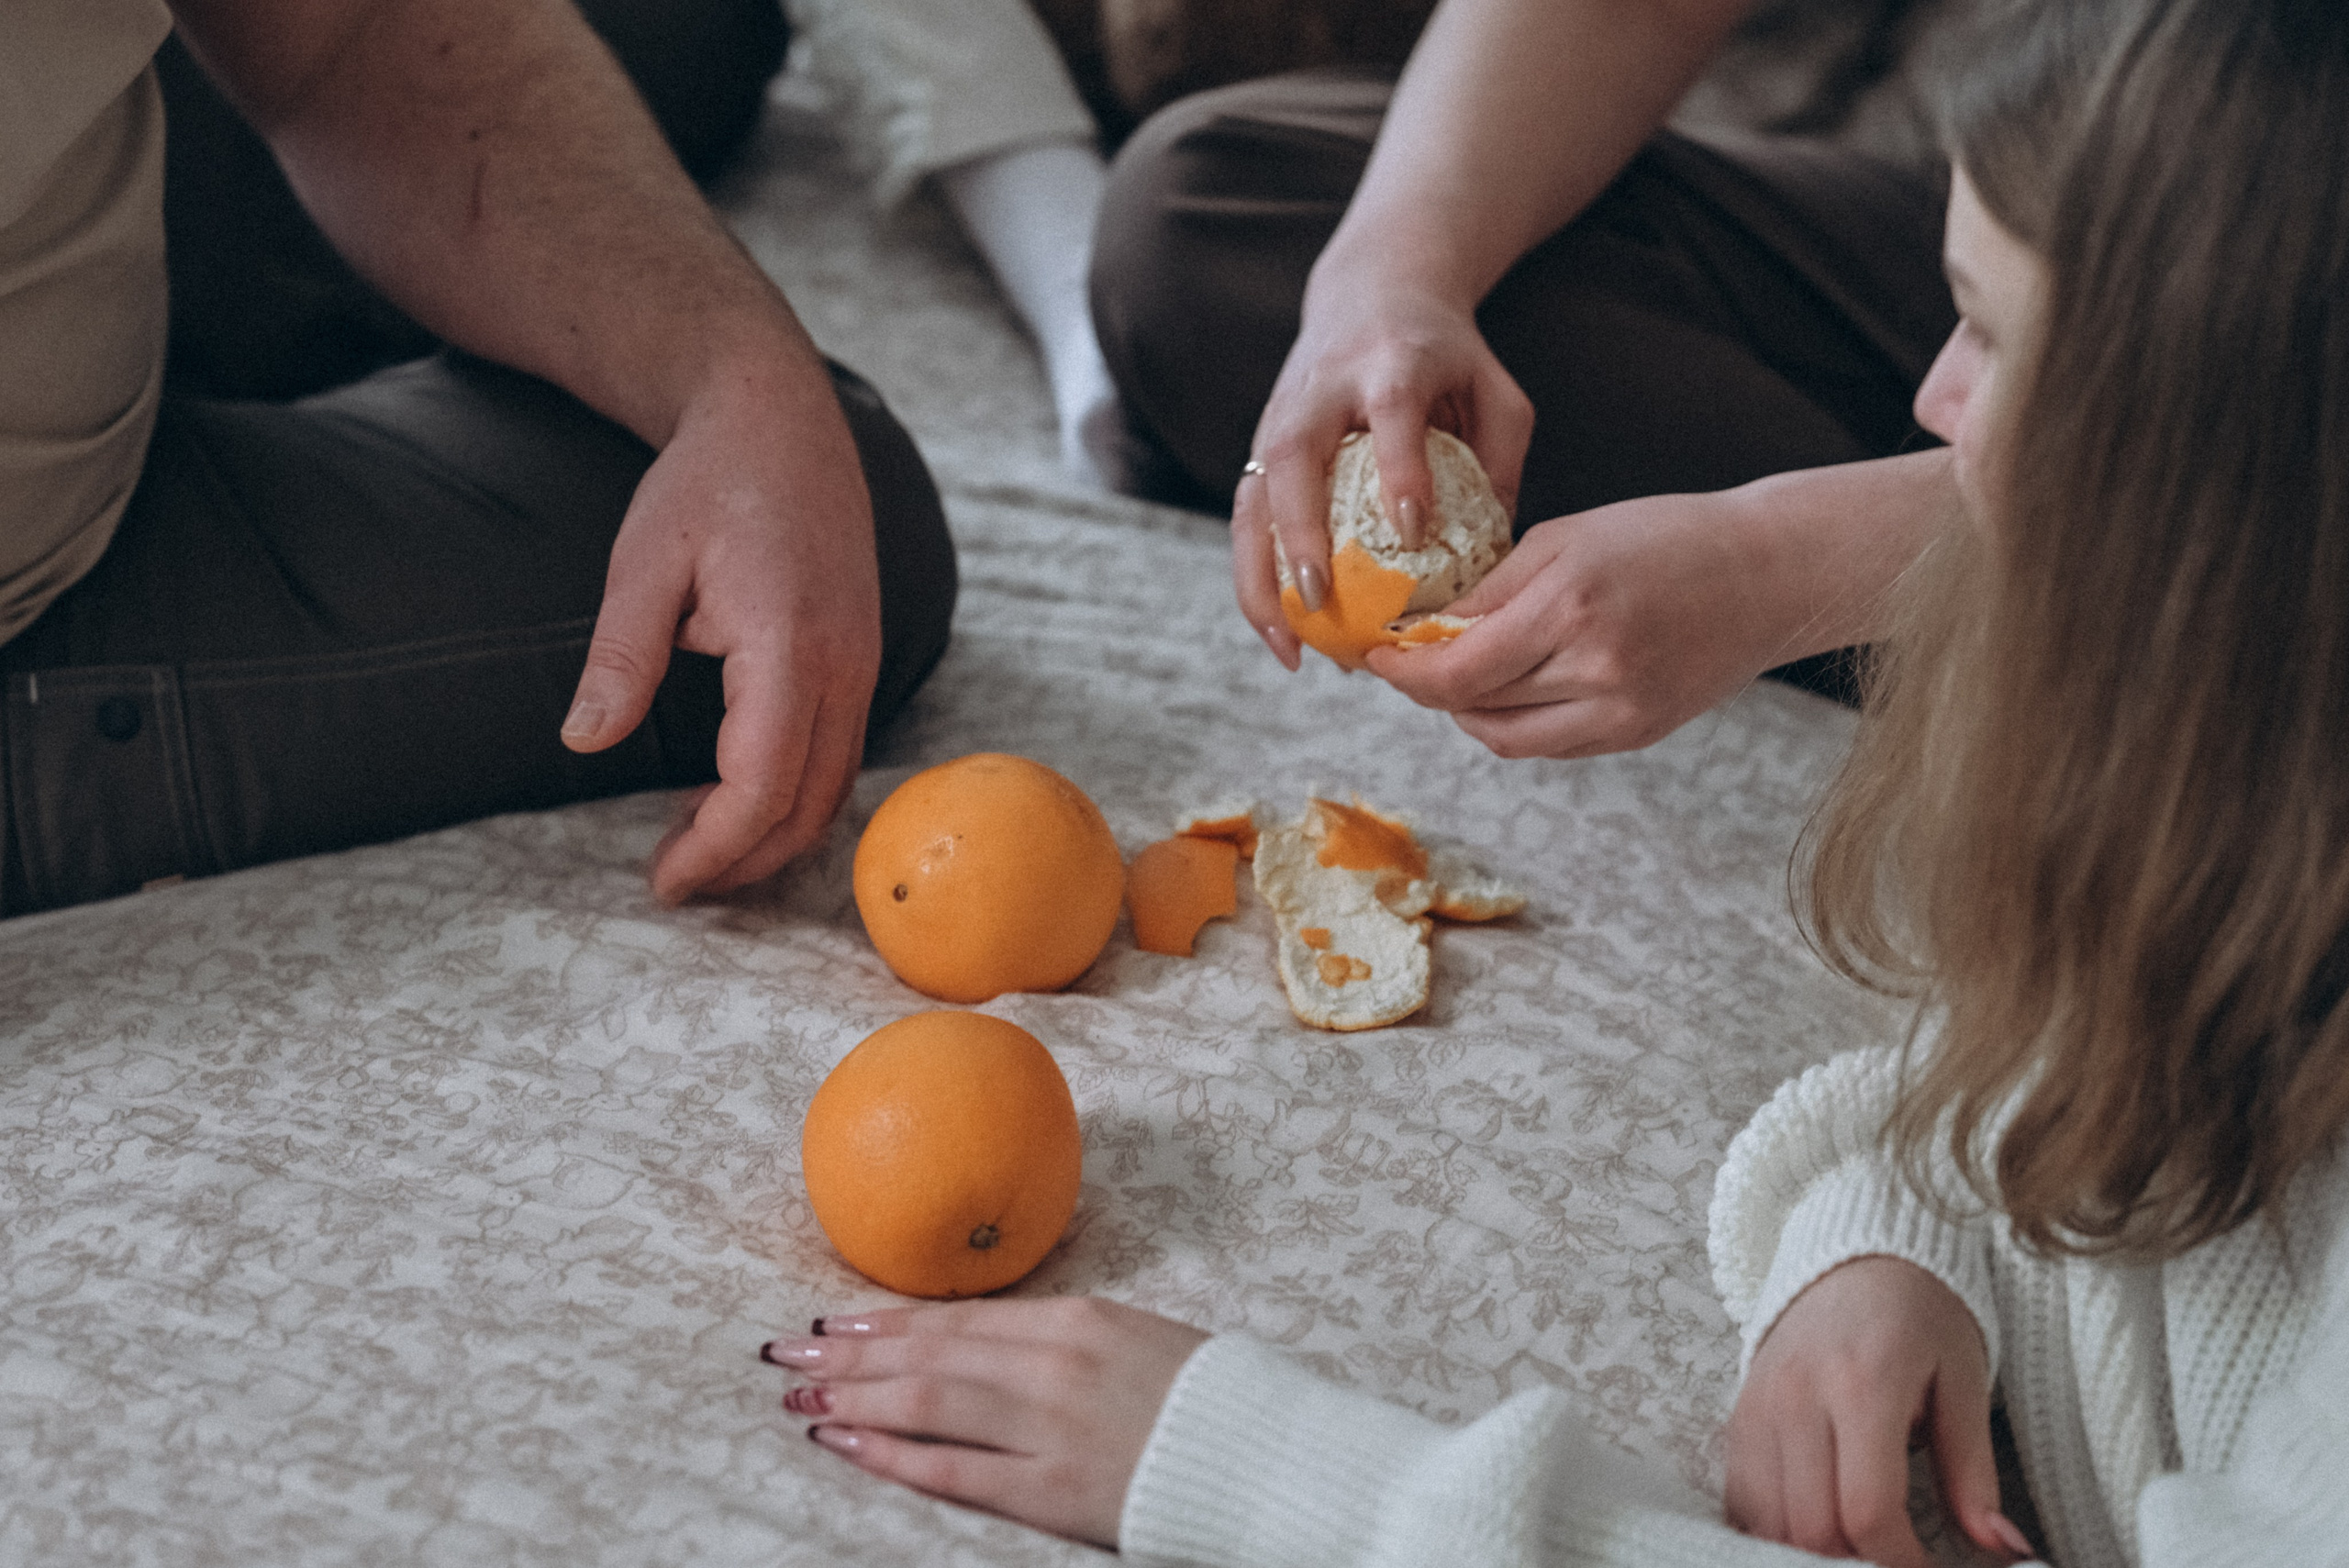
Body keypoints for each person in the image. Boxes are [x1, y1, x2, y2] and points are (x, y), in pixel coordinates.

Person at [758, 1, 2349, 1562]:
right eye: (1958, 311)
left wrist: (1289, 1475)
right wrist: (1909, 1220)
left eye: (1993, 340)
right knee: (1214, 207)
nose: (1929, 402)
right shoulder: (2234, 850)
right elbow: (2068, 1052)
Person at [0, 0, 957, 918]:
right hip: (44, 590)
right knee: (851, 540)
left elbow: (352, 28)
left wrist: (729, 371)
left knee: (687, 26)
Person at [1089, 0, 1962, 749]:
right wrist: (1392, 277)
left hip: (2092, 464)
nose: (1943, 402)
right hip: (1973, 235)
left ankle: (1980, 627)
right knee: (1204, 205)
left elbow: (2089, 468)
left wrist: (1774, 562)